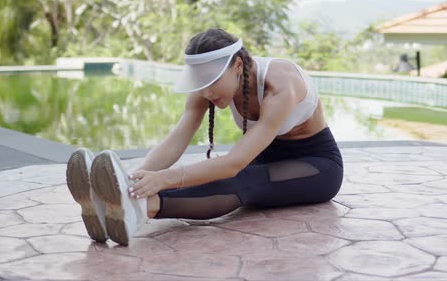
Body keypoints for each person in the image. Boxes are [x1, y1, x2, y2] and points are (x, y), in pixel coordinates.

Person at [66, 28, 343, 246]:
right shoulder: (209, 84)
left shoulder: (282, 84)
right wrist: (133, 178)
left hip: (316, 165)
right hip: (267, 157)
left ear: (237, 65)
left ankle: (140, 208)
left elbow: (234, 163)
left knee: (239, 178)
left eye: (212, 81)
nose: (206, 91)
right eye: (201, 83)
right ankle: (119, 201)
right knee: (213, 173)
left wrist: (163, 179)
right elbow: (177, 139)